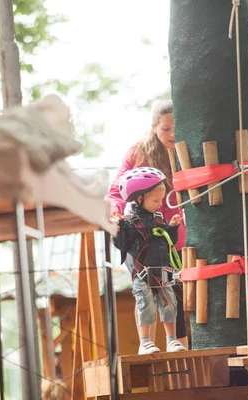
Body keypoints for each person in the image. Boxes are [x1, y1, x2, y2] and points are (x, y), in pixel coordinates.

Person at [107, 100, 189, 350]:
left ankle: (178, 345)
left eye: (177, 127)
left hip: (175, 233)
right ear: (153, 127)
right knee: (146, 290)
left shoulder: (187, 149)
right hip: (143, 235)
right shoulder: (138, 153)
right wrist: (115, 214)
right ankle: (146, 344)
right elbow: (115, 192)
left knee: (175, 293)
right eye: (166, 128)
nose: (172, 134)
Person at [112, 167, 186, 354]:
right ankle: (145, 342)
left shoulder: (159, 220)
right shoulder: (128, 223)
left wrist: (173, 228)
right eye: (155, 200)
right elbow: (122, 245)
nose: (159, 204)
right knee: (146, 306)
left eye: (160, 200)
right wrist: (118, 228)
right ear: (139, 198)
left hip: (163, 271)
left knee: (170, 305)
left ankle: (172, 340)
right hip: (142, 273)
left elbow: (170, 241)